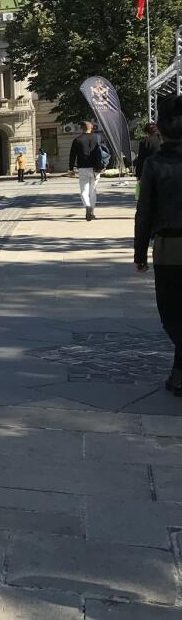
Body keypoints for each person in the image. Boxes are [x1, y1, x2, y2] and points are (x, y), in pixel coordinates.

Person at [134, 95, 182, 395]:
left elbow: (145, 213)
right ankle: (178, 376)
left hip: (170, 248)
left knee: (172, 314)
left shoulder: (154, 165)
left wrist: (140, 253)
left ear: (161, 130)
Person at [69, 121, 104, 221]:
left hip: (82, 168)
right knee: (93, 190)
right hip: (95, 169)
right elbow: (99, 153)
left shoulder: (77, 140)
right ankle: (92, 212)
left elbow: (72, 155)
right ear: (91, 128)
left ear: (81, 128)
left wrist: (71, 168)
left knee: (84, 190)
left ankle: (87, 206)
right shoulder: (96, 138)